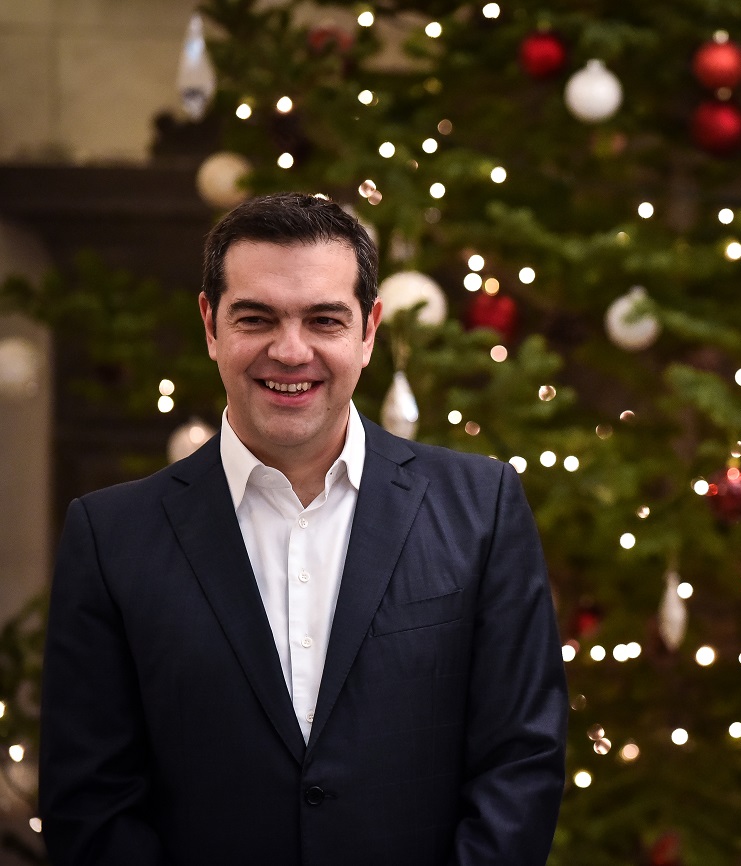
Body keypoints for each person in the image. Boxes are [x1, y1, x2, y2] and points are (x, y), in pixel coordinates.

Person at [39, 193, 569, 866]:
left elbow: (521, 761)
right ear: (210, 325)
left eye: (324, 320)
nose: (290, 352)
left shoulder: (482, 508)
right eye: (255, 318)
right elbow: (90, 802)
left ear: (369, 331)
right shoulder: (110, 536)